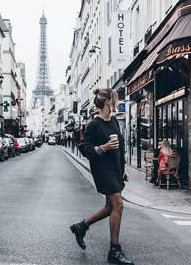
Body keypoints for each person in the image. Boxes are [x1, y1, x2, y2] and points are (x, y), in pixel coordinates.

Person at [70, 88, 134, 265]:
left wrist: (123, 169)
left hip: (115, 169)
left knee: (109, 206)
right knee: (118, 204)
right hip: (102, 170)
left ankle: (81, 227)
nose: (117, 102)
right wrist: (102, 148)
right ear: (108, 102)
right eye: (115, 99)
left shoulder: (114, 121)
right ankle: (114, 250)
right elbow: (84, 147)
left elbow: (120, 147)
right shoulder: (94, 124)